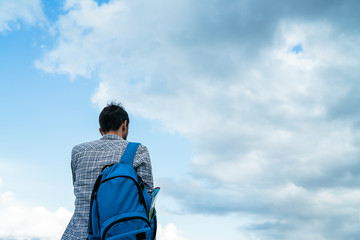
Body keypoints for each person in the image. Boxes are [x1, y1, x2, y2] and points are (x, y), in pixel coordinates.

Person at [61, 102, 154, 240]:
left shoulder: (78, 152)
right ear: (125, 125)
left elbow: (77, 188)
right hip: (117, 234)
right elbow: (148, 197)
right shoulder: (138, 150)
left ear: (101, 130)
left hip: (77, 233)